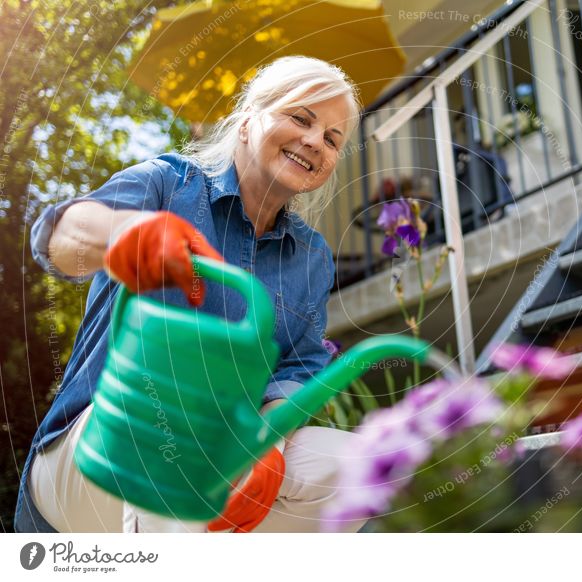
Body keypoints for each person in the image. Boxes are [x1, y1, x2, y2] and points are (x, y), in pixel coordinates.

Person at [15, 56, 366, 533]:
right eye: (300, 118)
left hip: (214, 459)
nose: (313, 142)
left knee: (364, 468)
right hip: (87, 458)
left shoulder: (312, 257)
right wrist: (127, 233)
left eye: (331, 139)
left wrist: (269, 445)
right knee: (176, 435)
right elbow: (62, 236)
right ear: (247, 122)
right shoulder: (167, 184)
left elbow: (297, 367)